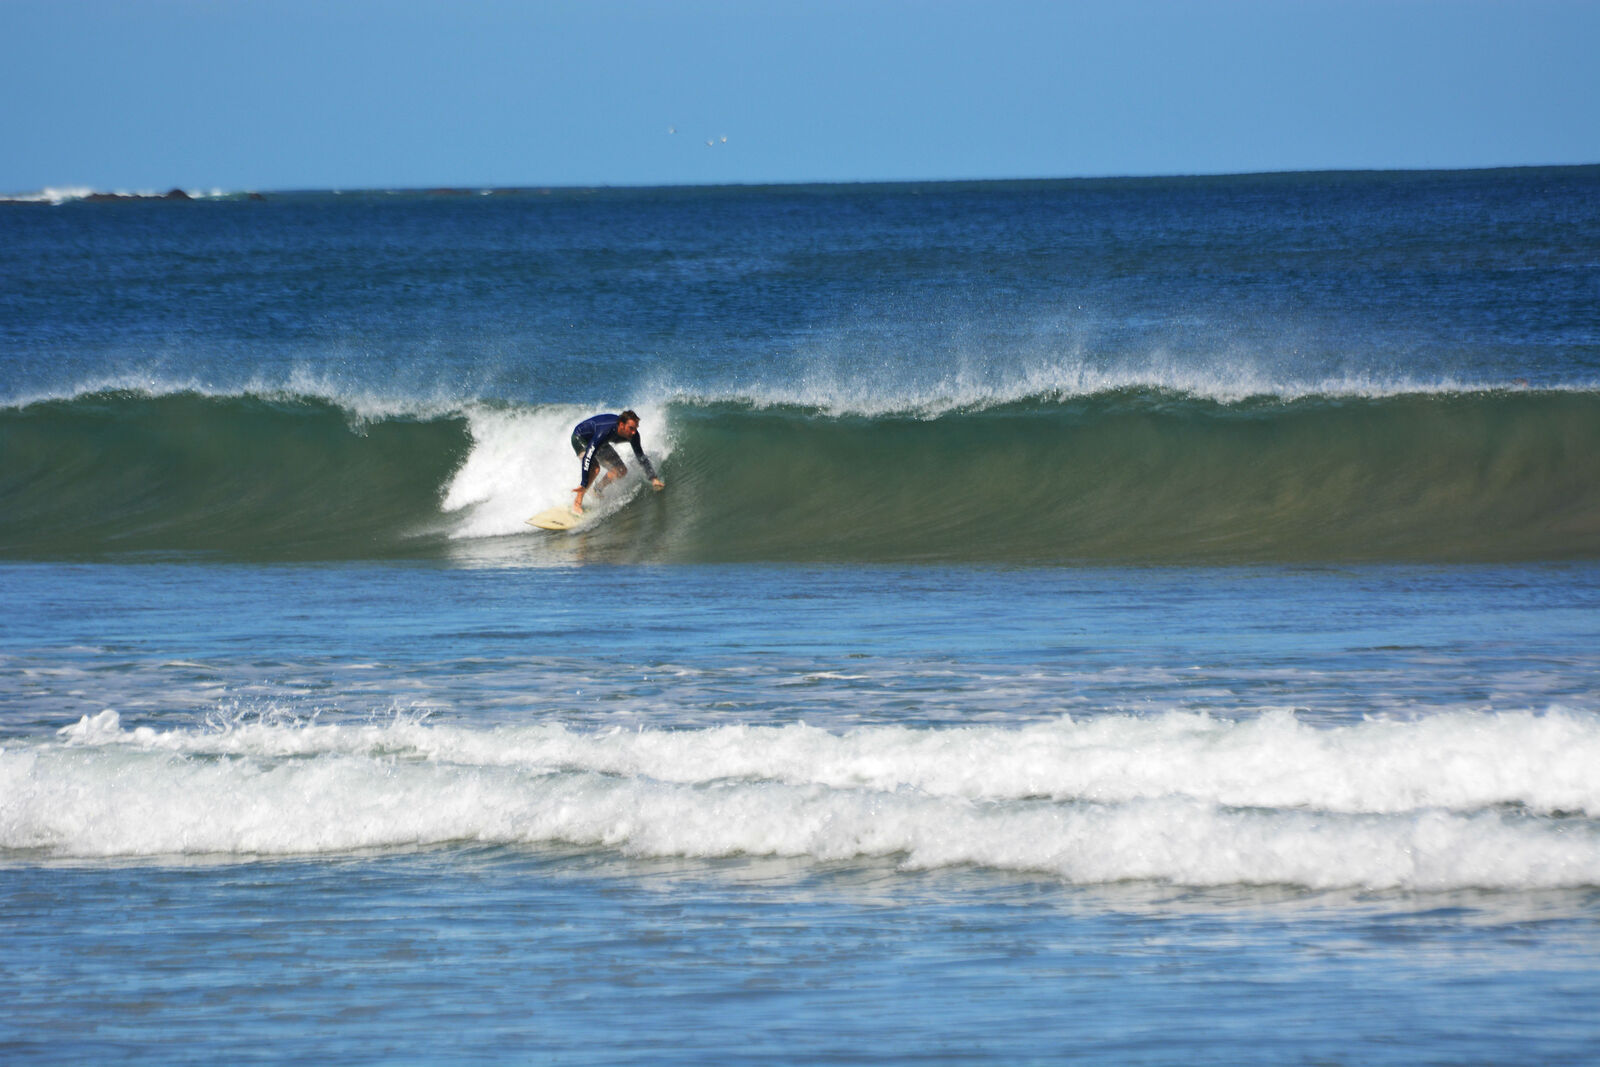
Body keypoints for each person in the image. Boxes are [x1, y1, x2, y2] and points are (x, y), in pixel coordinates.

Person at [570, 409, 664, 513]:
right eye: (631, 428)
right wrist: (584, 483)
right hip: (581, 438)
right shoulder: (605, 431)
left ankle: (597, 490)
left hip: (601, 442)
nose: (634, 432)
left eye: (636, 428)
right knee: (595, 469)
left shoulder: (633, 436)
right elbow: (588, 456)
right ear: (621, 425)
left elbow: (640, 456)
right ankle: (577, 502)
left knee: (621, 470)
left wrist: (653, 478)